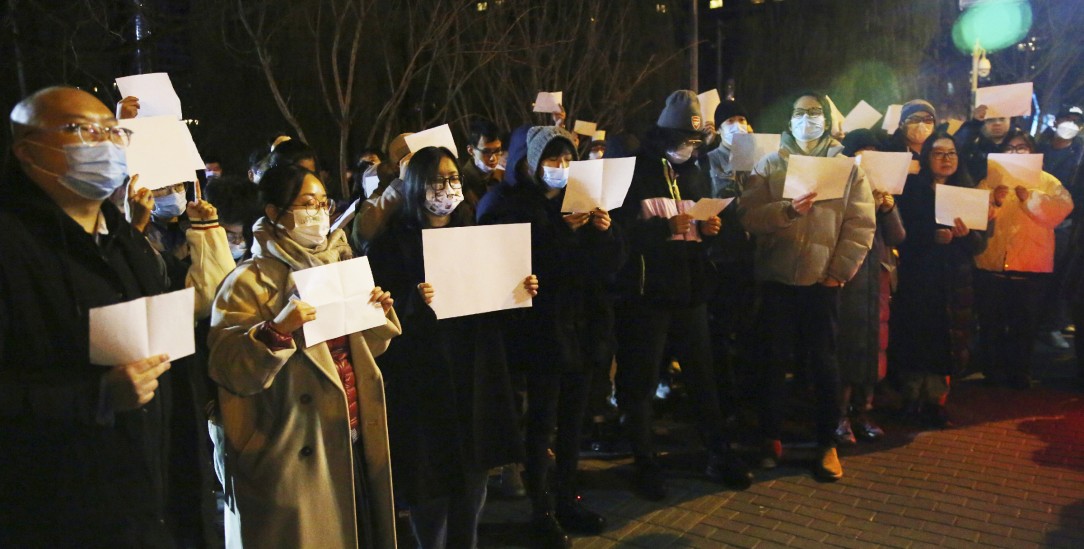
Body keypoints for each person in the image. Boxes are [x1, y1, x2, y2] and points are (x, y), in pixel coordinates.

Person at [1, 86, 175, 546]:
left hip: (142, 510)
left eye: (113, 131)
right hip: (50, 516)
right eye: (81, 129)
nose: (105, 142)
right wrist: (94, 397)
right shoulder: (12, 246)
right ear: (26, 150)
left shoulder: (127, 243)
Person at [208, 164, 401, 548]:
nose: (318, 213)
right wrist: (276, 330)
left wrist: (377, 313)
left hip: (351, 439)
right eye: (306, 203)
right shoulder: (247, 281)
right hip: (290, 451)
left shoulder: (340, 265)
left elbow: (364, 353)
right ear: (275, 213)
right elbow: (230, 370)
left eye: (323, 203)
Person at [367, 146, 534, 548]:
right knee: (431, 475)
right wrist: (410, 301)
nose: (447, 188)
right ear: (416, 187)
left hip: (475, 370)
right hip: (424, 377)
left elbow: (499, 311)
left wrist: (519, 291)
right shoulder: (390, 243)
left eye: (453, 179)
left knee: (474, 469)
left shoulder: (477, 234)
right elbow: (378, 314)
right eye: (437, 180)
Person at [477, 126, 625, 545]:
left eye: (566, 160)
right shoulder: (506, 204)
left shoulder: (577, 200)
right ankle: (541, 509)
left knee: (574, 421)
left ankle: (568, 499)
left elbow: (609, 266)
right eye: (551, 160)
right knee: (541, 423)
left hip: (582, 327)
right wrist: (562, 232)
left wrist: (604, 231)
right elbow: (519, 266)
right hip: (539, 333)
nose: (560, 169)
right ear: (529, 162)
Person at [612, 90, 752, 501]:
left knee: (702, 379)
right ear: (663, 135)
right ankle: (645, 462)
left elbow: (703, 224)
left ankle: (716, 452)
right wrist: (661, 231)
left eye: (694, 143)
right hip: (646, 296)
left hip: (691, 293)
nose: (688, 150)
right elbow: (616, 232)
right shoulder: (634, 171)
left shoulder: (695, 171)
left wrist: (710, 233)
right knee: (641, 384)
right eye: (681, 142)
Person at [741, 90, 876, 481]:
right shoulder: (769, 164)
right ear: (789, 119)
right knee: (773, 361)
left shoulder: (849, 169)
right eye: (800, 113)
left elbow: (860, 225)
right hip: (778, 280)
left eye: (815, 113)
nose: (807, 120)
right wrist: (786, 211)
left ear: (828, 120)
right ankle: (769, 438)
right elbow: (748, 215)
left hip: (822, 283)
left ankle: (827, 445)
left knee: (824, 365)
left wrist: (838, 272)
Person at [890, 131, 990, 428]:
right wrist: (929, 236)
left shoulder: (967, 191)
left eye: (951, 153)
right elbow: (899, 233)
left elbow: (980, 245)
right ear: (927, 157)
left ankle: (936, 402)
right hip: (919, 277)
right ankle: (910, 398)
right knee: (915, 337)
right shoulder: (911, 190)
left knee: (945, 341)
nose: (946, 159)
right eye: (938, 153)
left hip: (954, 280)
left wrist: (967, 235)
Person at [975, 129, 1073, 388]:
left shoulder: (1048, 181)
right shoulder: (990, 180)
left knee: (1024, 326)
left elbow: (1060, 211)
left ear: (1032, 152)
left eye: (1022, 148)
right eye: (1010, 148)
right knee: (992, 324)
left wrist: (1029, 198)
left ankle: (1020, 372)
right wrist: (993, 203)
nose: (1016, 153)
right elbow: (974, 215)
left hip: (1031, 265)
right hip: (992, 265)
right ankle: (992, 372)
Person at [833, 130, 905, 445]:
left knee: (875, 346)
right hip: (847, 279)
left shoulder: (883, 193)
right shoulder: (838, 190)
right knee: (846, 348)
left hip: (877, 279)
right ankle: (839, 417)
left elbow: (898, 236)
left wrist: (888, 208)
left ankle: (862, 412)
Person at [1037, 107, 1084, 348]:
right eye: (1067, 119)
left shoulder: (1079, 155)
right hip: (1033, 221)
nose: (1071, 125)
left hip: (1063, 226)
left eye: (1076, 122)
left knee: (1058, 277)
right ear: (1056, 121)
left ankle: (1052, 325)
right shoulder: (1038, 150)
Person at [957, 104, 1012, 182]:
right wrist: (975, 123)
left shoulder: (1020, 142)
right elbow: (957, 147)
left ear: (1009, 120)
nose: (997, 123)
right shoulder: (974, 146)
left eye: (1002, 119)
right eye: (990, 120)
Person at [461, 118, 504, 206]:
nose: (493, 158)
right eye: (486, 152)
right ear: (471, 150)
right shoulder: (463, 183)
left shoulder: (505, 171)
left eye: (497, 150)